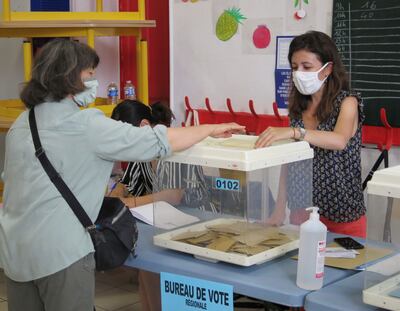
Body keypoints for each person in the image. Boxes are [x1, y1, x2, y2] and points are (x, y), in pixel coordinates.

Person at [0, 39, 244, 311]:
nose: (95, 81)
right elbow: (159, 141)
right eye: (90, 74)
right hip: (60, 255)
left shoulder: (22, 123)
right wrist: (210, 129)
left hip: (14, 253)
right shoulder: (86, 125)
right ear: (70, 78)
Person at [255, 31, 366, 238]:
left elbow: (339, 140)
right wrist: (279, 209)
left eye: (307, 67)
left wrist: (296, 132)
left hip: (342, 214)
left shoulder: (347, 102)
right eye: (295, 67)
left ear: (327, 69)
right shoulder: (298, 107)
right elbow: (290, 161)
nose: (299, 73)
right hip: (302, 211)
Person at [110, 99, 217, 213]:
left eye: (125, 140)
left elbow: (174, 197)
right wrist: (117, 192)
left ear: (144, 126)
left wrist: (130, 203)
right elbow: (129, 184)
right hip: (162, 216)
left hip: (199, 215)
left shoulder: (178, 147)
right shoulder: (141, 149)